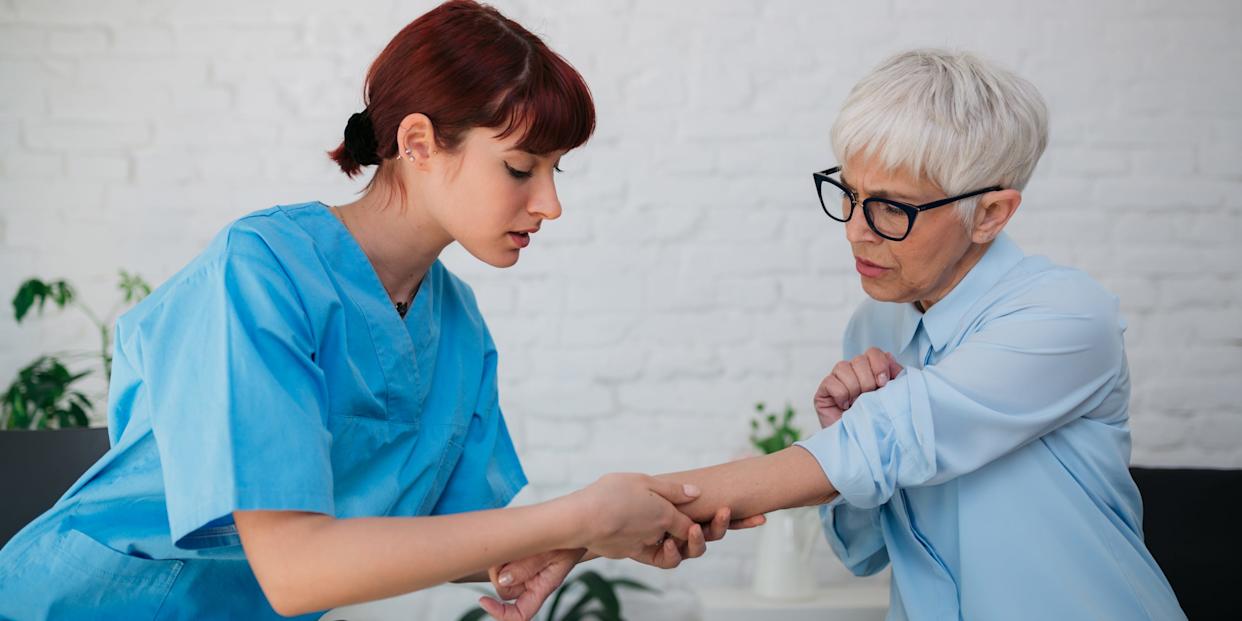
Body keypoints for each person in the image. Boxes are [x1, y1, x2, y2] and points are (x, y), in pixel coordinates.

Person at [0, 3, 753, 619]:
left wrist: (619, 530)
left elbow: (456, 546)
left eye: (557, 172)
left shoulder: (459, 331)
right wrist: (578, 519)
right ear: (418, 141)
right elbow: (294, 569)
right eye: (522, 168)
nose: (550, 204)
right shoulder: (260, 269)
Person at [487, 49, 1185, 621]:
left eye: (890, 209)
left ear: (991, 213)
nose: (855, 228)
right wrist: (843, 437)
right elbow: (863, 547)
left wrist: (581, 529)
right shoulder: (875, 324)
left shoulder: (1066, 317)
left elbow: (876, 447)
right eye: (848, 193)